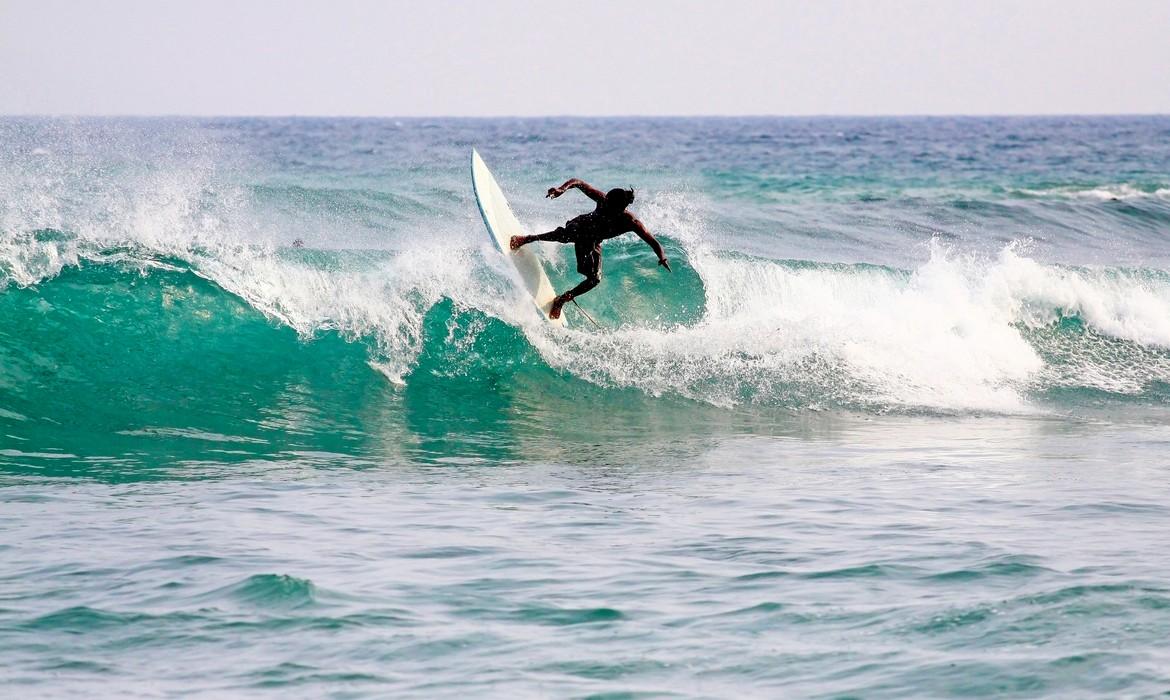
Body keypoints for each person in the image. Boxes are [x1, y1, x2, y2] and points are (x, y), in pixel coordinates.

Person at [510, 179, 670, 319]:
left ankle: (563, 299)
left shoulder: (631, 222)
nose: (603, 202)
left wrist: (662, 257)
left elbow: (652, 240)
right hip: (580, 226)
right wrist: (562, 189)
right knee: (565, 235)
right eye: (605, 199)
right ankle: (526, 239)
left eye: (608, 203)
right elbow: (578, 182)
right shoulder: (603, 199)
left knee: (594, 279)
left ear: (619, 209)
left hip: (592, 242)